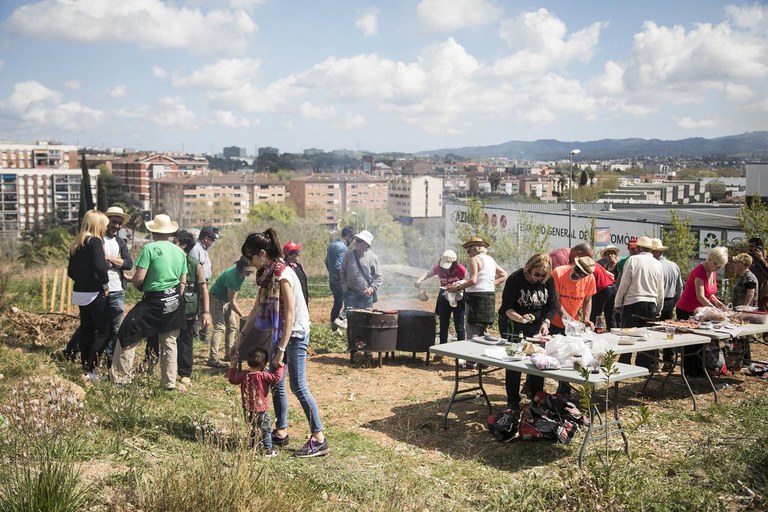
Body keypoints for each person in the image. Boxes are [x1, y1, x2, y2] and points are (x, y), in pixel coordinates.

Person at [234, 228, 328, 457]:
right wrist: (240, 339)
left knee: (298, 386)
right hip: (280, 335)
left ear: (262, 254)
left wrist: (281, 350)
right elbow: (256, 310)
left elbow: (290, 315)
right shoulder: (267, 276)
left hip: (294, 334)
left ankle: (319, 439)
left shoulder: (283, 274)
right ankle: (282, 431)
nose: (250, 263)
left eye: (251, 257)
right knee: (276, 383)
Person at [112, 214, 187, 390]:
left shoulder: (149, 249)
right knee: (169, 341)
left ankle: (121, 378)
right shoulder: (179, 252)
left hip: (154, 301)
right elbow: (183, 282)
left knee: (128, 333)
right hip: (174, 300)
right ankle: (169, 382)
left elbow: (139, 279)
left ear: (153, 231)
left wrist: (135, 282)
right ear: (169, 232)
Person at [499, 253, 558, 409]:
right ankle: (513, 401)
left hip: (536, 326)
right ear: (529, 268)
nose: (539, 278)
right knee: (515, 363)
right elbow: (507, 308)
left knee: (538, 361)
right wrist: (520, 318)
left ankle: (536, 398)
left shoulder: (547, 280)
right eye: (536, 274)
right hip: (513, 324)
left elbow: (552, 306)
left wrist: (546, 323)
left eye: (543, 276)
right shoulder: (515, 279)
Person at [67, 210, 111, 380]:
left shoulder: (77, 243)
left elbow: (71, 272)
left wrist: (83, 280)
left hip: (80, 292)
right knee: (105, 332)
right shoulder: (95, 241)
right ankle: (89, 366)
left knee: (87, 330)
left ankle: (86, 370)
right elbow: (100, 266)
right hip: (94, 293)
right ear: (98, 225)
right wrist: (105, 284)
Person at [676, 246, 728, 376]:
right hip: (687, 310)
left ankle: (702, 368)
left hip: (701, 311)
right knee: (691, 343)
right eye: (717, 265)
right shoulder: (699, 272)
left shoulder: (712, 270)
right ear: (710, 259)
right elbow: (700, 296)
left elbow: (709, 292)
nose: (718, 268)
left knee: (703, 342)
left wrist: (716, 301)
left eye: (720, 266)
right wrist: (714, 309)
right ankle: (690, 371)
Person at [613, 236, 664, 368]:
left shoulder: (632, 260)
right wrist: (659, 308)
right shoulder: (657, 263)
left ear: (638, 248)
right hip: (651, 303)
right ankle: (643, 366)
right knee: (645, 337)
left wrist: (617, 303)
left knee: (628, 335)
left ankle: (625, 363)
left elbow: (624, 283)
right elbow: (660, 289)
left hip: (633, 303)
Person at [227, 347, 285, 456]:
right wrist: (280, 366)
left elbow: (232, 379)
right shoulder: (263, 375)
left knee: (252, 428)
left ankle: (254, 448)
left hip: (247, 409)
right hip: (261, 410)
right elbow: (276, 378)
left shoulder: (244, 375)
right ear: (264, 364)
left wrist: (232, 366)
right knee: (265, 429)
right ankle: (267, 449)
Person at [447, 237, 507, 339]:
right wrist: (490, 284)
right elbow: (504, 274)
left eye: (469, 250)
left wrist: (456, 288)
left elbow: (473, 280)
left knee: (473, 333)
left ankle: (472, 348)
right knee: (483, 332)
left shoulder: (475, 259)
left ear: (474, 248)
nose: (468, 253)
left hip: (475, 299)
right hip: (489, 298)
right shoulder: (490, 259)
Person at [174, 231, 211, 386]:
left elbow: (203, 289)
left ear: (183, 245)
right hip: (170, 309)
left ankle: (185, 374)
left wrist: (206, 312)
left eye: (175, 243)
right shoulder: (170, 261)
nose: (172, 245)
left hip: (188, 311)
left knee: (185, 342)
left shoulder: (195, 265)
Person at [207, 258, 256, 367]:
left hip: (227, 300)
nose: (249, 273)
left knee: (232, 326)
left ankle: (229, 353)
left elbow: (234, 297)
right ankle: (213, 358)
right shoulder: (232, 276)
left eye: (251, 271)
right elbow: (233, 302)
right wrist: (243, 316)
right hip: (216, 298)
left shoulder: (241, 275)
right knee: (219, 327)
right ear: (241, 268)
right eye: (248, 271)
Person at [414, 249, 468, 346]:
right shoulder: (438, 267)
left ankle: (461, 349)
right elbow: (428, 274)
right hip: (444, 295)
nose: (445, 268)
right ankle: (442, 348)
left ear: (454, 263)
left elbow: (468, 279)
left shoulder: (460, 268)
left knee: (459, 325)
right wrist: (419, 280)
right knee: (443, 324)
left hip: (458, 295)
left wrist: (458, 285)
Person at [101, 206, 134, 365]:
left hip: (118, 290)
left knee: (115, 328)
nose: (117, 226)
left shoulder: (120, 242)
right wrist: (117, 261)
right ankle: (76, 352)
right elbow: (100, 264)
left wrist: (109, 258)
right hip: (100, 290)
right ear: (107, 221)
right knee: (98, 326)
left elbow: (128, 264)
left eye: (120, 223)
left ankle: (110, 360)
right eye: (114, 222)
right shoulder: (98, 240)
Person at [653, 238, 683, 371]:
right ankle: (669, 361)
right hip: (670, 301)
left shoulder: (655, 265)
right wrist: (674, 302)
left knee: (653, 331)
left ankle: (654, 362)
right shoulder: (673, 265)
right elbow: (679, 287)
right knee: (668, 332)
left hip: (656, 301)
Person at [551, 256, 597, 332]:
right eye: (577, 269)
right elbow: (555, 300)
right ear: (575, 264)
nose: (577, 274)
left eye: (582, 274)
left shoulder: (590, 279)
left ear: (587, 275)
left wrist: (586, 319)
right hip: (553, 322)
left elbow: (587, 301)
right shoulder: (558, 272)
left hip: (573, 323)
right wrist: (568, 320)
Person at [340, 230, 382, 311]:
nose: (356, 242)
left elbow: (379, 277)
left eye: (359, 241)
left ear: (366, 244)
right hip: (350, 295)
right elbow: (342, 272)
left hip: (366, 297)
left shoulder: (373, 258)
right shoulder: (348, 254)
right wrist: (345, 288)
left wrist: (371, 289)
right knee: (350, 318)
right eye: (356, 240)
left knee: (366, 318)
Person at [190, 227, 218, 342]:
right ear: (206, 238)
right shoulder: (196, 249)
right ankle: (195, 336)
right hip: (198, 283)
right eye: (212, 240)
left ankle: (203, 336)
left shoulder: (204, 250)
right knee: (199, 309)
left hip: (204, 282)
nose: (212, 242)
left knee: (204, 308)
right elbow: (194, 268)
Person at [325, 226, 355, 330]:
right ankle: (342, 322)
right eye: (352, 238)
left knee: (337, 303)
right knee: (350, 302)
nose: (352, 241)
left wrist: (332, 274)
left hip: (332, 281)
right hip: (339, 282)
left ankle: (334, 328)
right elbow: (339, 266)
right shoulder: (343, 248)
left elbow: (326, 262)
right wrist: (343, 280)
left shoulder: (332, 245)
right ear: (348, 236)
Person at [747, 238, 768, 310]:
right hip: (750, 291)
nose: (749, 249)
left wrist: (761, 259)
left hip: (763, 294)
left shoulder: (765, 258)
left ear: (759, 248)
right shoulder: (748, 258)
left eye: (752, 246)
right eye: (749, 246)